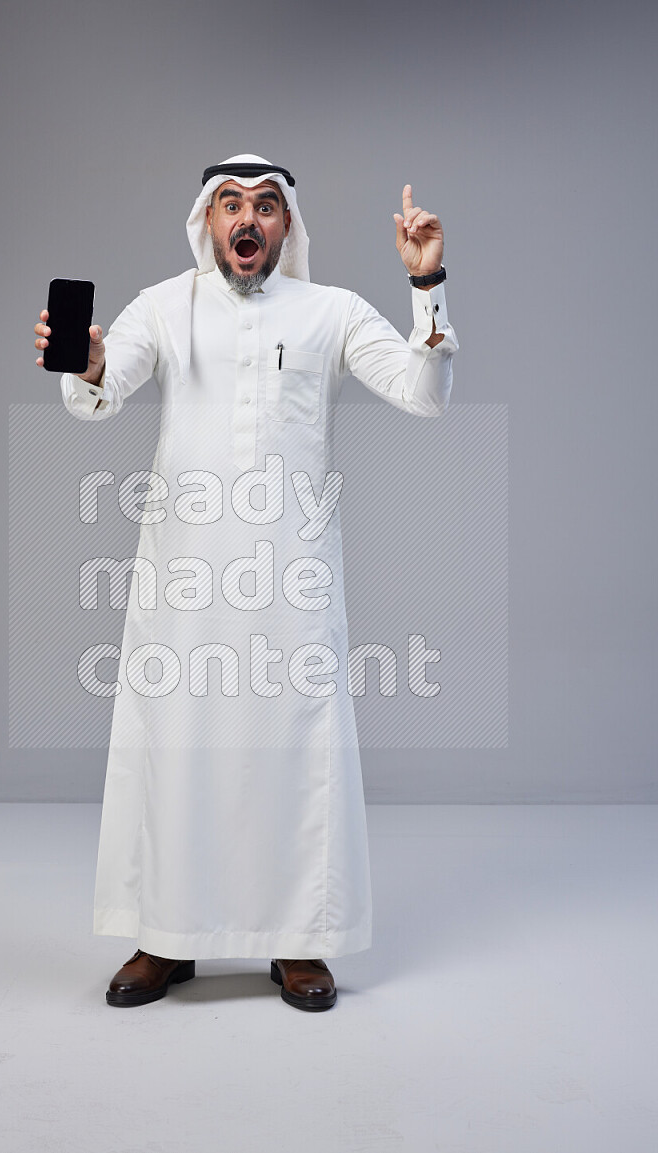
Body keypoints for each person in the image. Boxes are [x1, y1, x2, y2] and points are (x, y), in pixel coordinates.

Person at [34, 154, 458, 1012]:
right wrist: (83, 361)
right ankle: (165, 938)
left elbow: (424, 392)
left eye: (266, 205)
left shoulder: (329, 311)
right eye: (231, 203)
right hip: (183, 581)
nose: (249, 219)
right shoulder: (163, 305)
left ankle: (299, 940)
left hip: (290, 583)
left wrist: (429, 285)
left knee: (294, 752)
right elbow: (100, 395)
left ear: (287, 225)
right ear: (207, 220)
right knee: (175, 750)